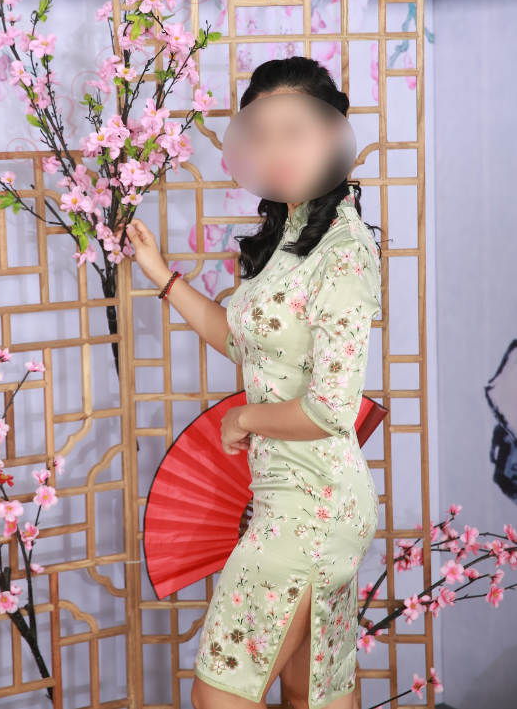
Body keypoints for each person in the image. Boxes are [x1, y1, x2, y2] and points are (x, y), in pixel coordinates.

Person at [124, 56, 382, 708]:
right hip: (294, 500)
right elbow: (241, 339)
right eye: (261, 135)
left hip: (311, 505)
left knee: (220, 696)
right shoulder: (291, 235)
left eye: (294, 132)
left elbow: (331, 408)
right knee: (311, 696)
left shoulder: (343, 250)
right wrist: (161, 275)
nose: (277, 150)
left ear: (333, 136)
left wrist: (242, 419)